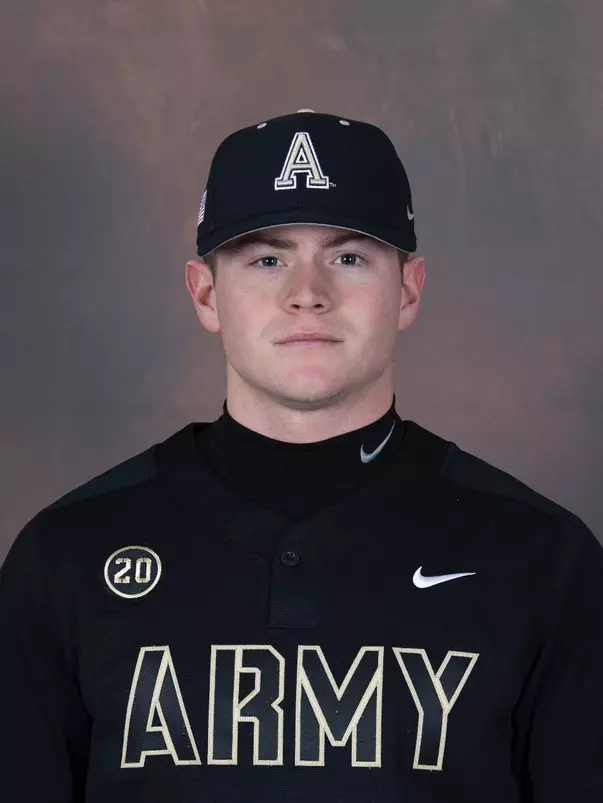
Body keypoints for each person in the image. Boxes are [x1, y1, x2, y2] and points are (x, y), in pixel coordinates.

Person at [0, 109, 601, 803]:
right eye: (266, 258)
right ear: (205, 292)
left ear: (406, 289)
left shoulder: (539, 557)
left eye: (348, 257)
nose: (307, 294)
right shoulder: (67, 554)